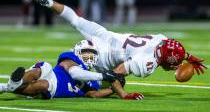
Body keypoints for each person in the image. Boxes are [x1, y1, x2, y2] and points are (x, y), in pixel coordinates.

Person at [19, 0, 206, 97]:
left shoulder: (161, 40)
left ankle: (49, 2)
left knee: (75, 19)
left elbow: (170, 48)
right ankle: (93, 93)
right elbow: (117, 72)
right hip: (99, 56)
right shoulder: (148, 62)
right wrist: (124, 95)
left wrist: (187, 56)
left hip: (105, 35)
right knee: (116, 81)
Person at [0, 51, 143, 100]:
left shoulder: (93, 83)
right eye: (87, 52)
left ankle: (9, 86)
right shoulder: (72, 59)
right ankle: (11, 85)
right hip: (51, 74)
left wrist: (113, 90)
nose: (89, 57)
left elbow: (93, 94)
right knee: (42, 70)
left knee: (44, 85)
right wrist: (104, 76)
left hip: (54, 89)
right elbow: (74, 72)